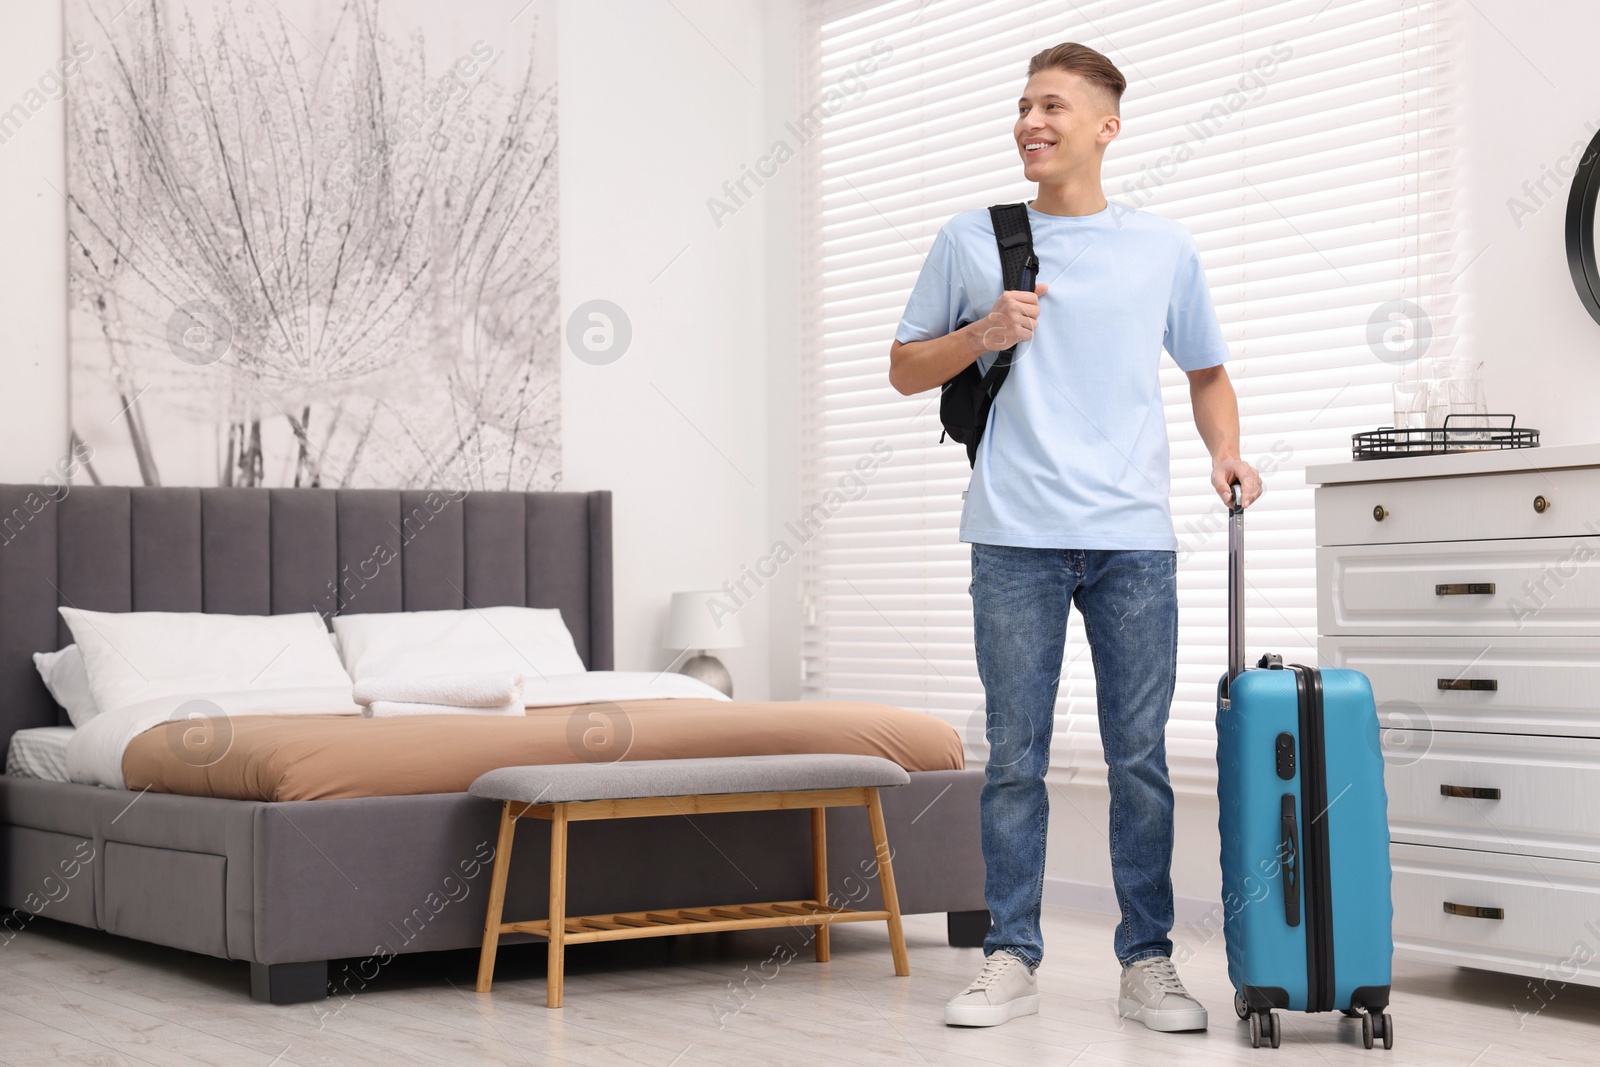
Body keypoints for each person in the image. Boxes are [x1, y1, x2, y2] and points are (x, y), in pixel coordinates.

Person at [888, 41, 1263, 1031]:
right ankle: (1009, 953)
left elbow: (1207, 370)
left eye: (1051, 106)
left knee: (1137, 754)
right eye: (1021, 106)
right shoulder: (971, 239)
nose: (1029, 122)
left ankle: (1147, 961)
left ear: (1105, 125)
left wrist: (1226, 453)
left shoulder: (1162, 247)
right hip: (1013, 533)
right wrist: (981, 334)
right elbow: (901, 369)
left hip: (1134, 538)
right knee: (1016, 752)